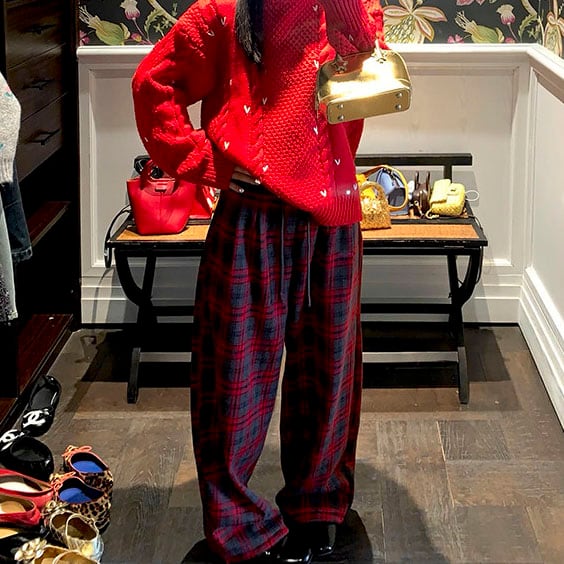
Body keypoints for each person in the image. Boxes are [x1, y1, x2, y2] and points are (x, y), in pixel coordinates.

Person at [132, 1, 385, 562]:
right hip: (250, 216)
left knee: (329, 374)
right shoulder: (223, 12)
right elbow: (153, 84)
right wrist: (210, 162)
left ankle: (318, 505)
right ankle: (239, 526)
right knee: (233, 378)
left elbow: (362, 51)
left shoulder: (353, 9)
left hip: (332, 216)